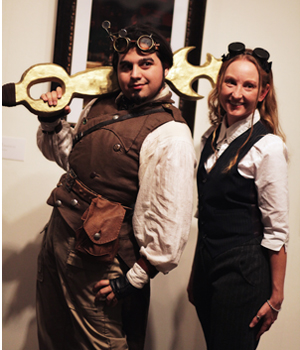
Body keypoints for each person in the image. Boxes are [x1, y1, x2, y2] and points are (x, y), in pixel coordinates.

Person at [36, 22, 196, 350]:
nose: (134, 74)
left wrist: (133, 279)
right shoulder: (101, 105)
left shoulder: (171, 134)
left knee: (102, 344)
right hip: (58, 234)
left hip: (99, 255)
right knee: (54, 337)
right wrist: (51, 120)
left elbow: (172, 219)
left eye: (146, 64)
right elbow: (70, 157)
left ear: (166, 67)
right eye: (126, 66)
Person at [187, 42, 289, 350]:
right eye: (231, 82)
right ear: (219, 84)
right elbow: (207, 211)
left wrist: (276, 298)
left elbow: (276, 230)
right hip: (207, 270)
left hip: (243, 273)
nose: (237, 93)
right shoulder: (209, 137)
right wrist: (196, 275)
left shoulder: (267, 147)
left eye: (249, 86)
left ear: (262, 93)